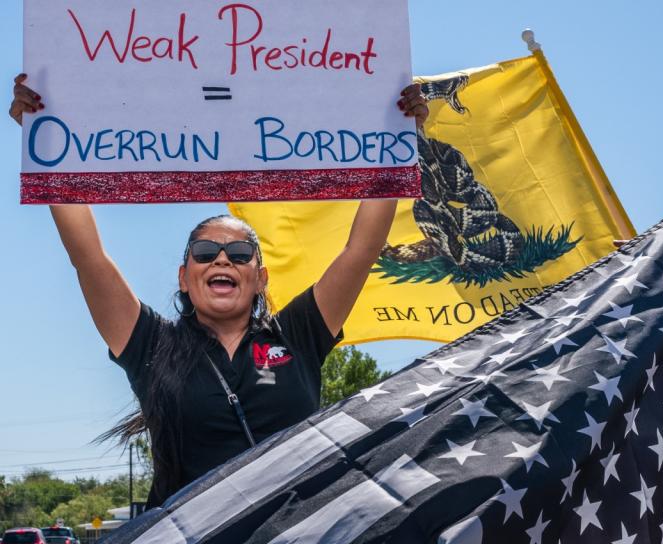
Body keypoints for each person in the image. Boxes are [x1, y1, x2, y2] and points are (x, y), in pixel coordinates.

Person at [9, 74, 428, 507]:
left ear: (260, 278)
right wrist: (45, 141)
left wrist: (398, 145)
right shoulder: (149, 344)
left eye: (240, 253)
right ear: (184, 277)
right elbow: (89, 257)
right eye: (206, 252)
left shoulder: (298, 335)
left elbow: (360, 251)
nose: (223, 260)